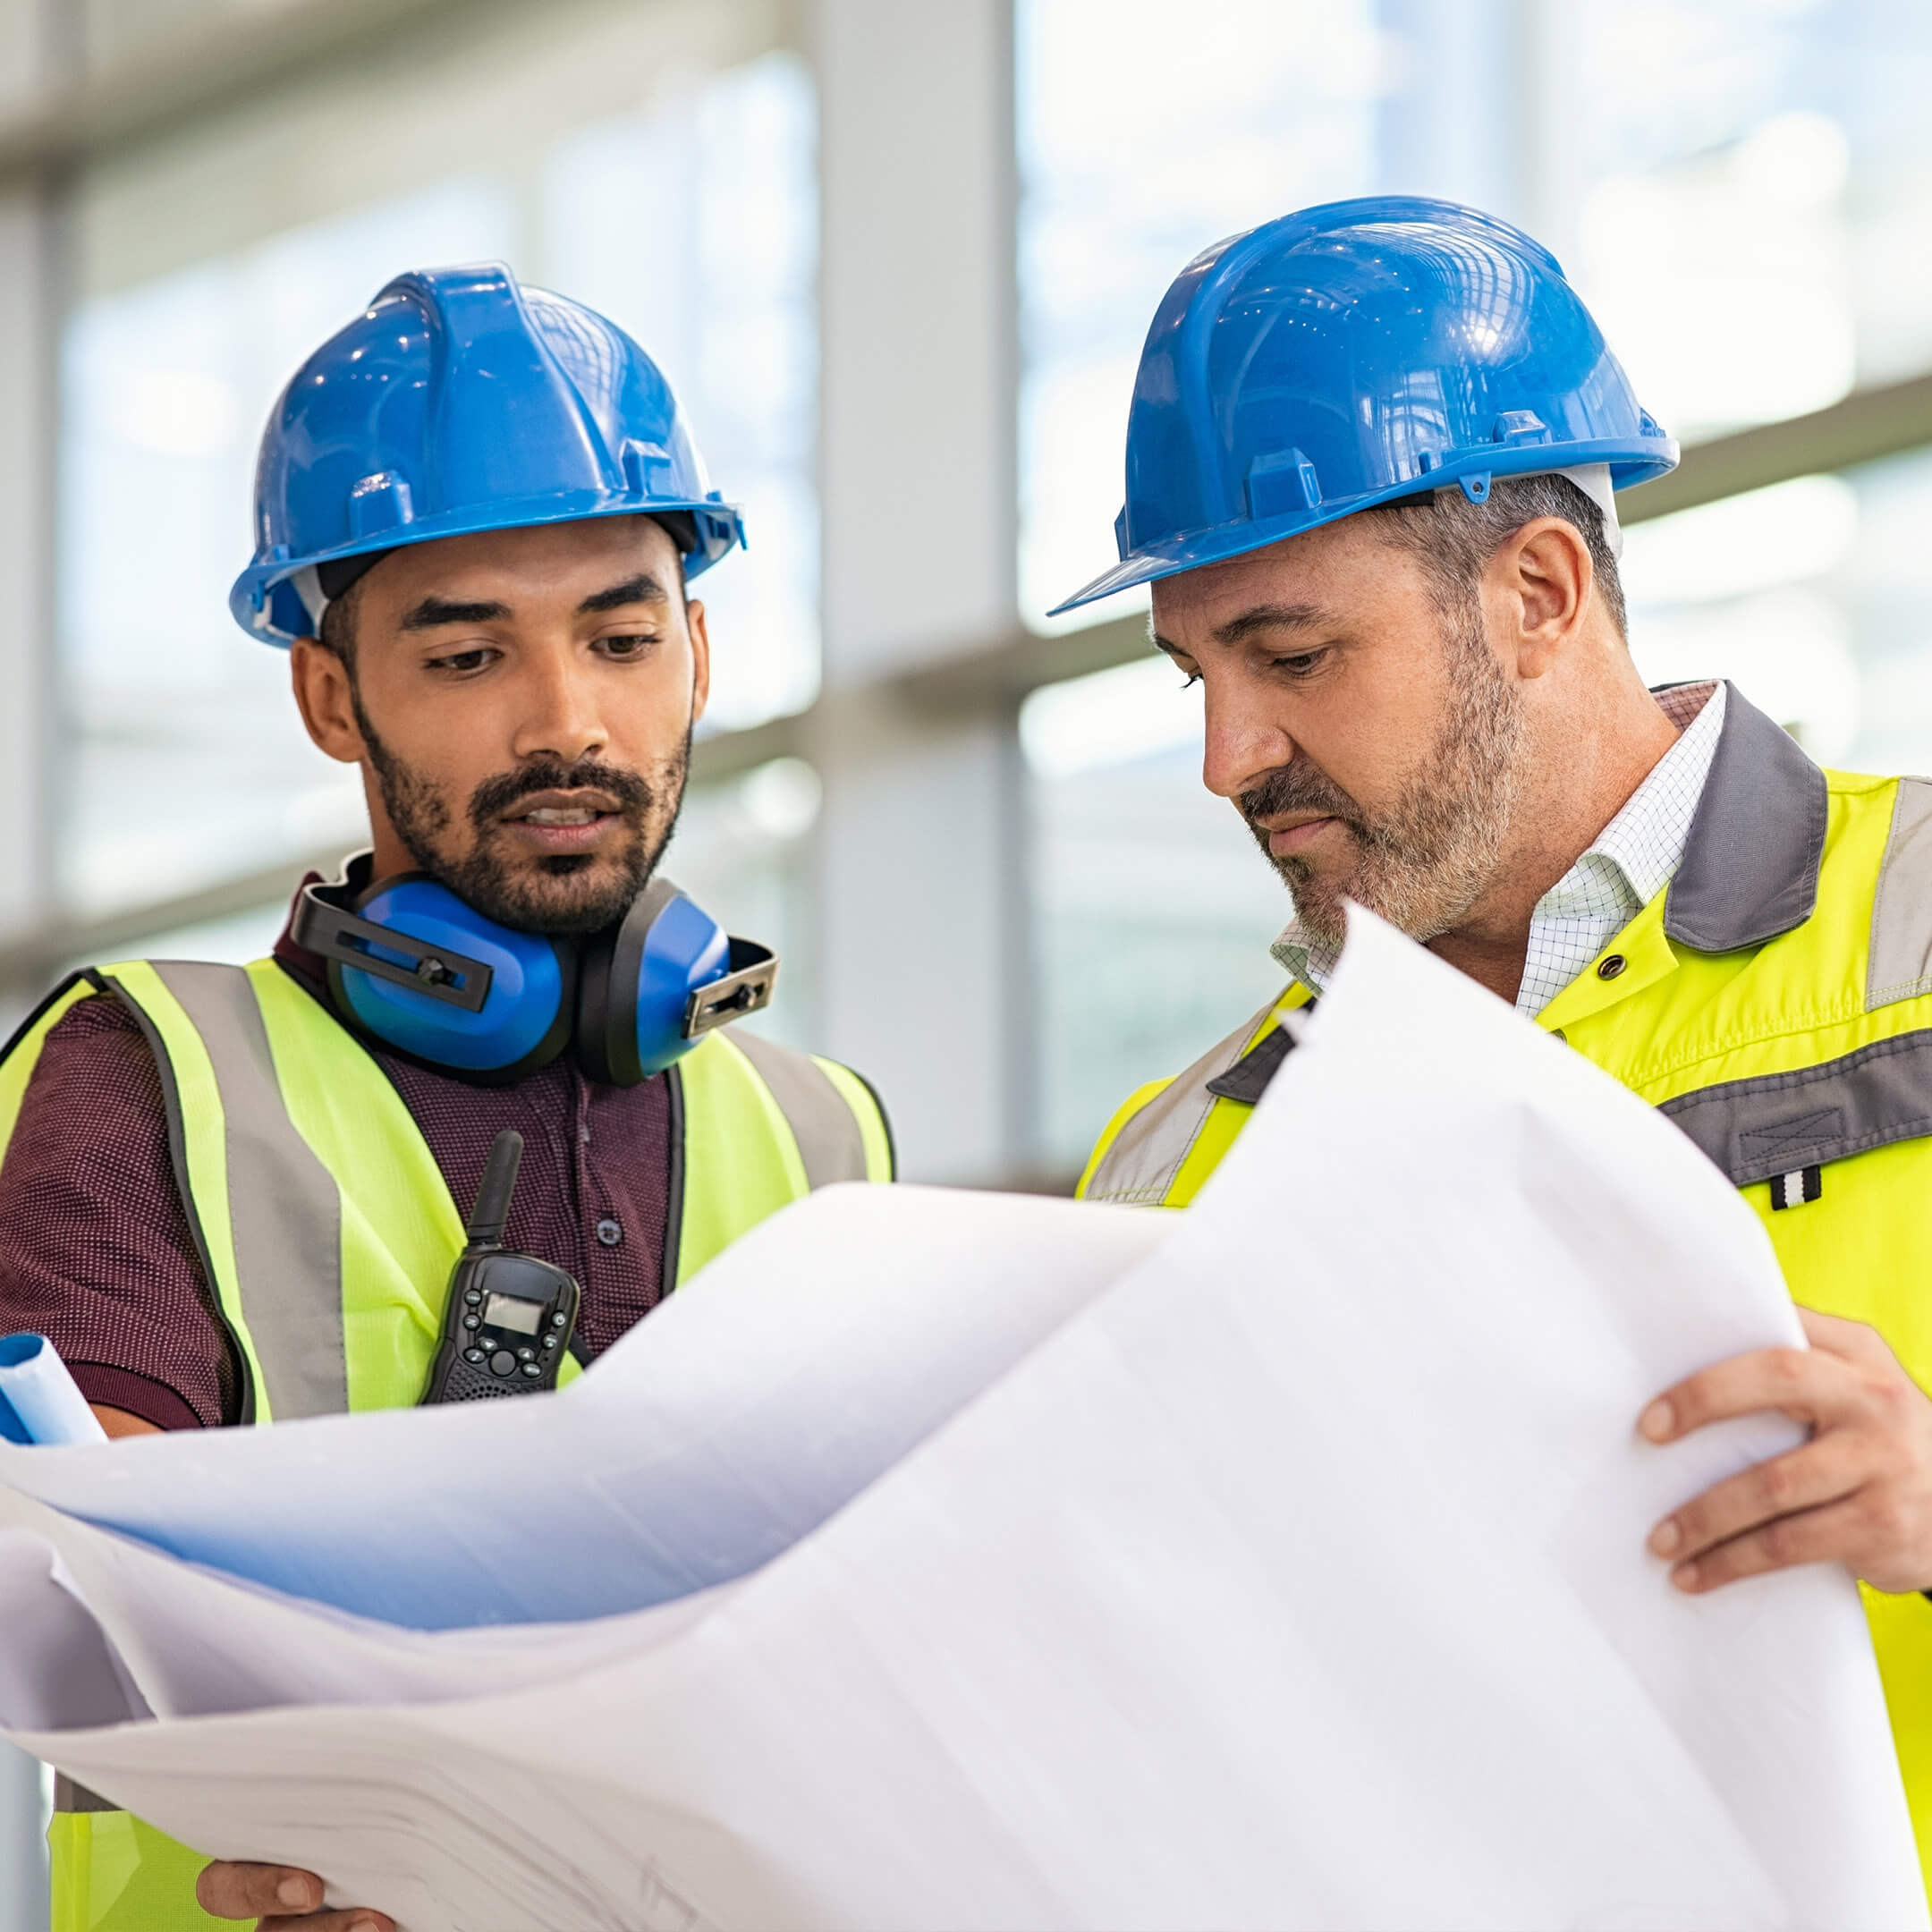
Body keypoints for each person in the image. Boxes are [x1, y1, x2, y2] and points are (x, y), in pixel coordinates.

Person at [0, 265, 893, 1931]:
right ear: (334, 695)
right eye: (471, 653)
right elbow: (92, 1626)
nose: (570, 724)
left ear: (696, 651)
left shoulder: (830, 1138)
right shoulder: (151, 1078)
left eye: (623, 640)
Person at [1058, 197, 1932, 1883]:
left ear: (1538, 591)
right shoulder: (1174, 1171)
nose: (1233, 758)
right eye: (1196, 680)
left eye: (1294, 655)